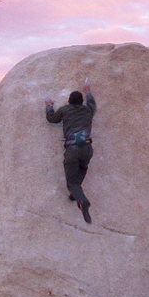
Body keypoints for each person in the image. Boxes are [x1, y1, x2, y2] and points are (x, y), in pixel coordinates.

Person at [45, 78, 96, 223]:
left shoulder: (65, 110)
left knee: (72, 182)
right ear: (81, 102)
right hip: (87, 148)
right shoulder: (88, 110)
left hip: (72, 149)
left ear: (69, 101)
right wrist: (87, 91)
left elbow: (52, 118)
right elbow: (91, 103)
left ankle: (82, 201)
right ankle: (75, 195)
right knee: (83, 168)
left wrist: (49, 105)